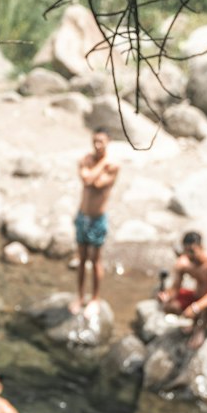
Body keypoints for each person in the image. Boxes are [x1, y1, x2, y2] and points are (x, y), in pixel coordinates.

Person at [158, 231, 207, 350]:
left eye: (192, 251)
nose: (189, 255)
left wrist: (196, 307)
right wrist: (166, 296)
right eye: (186, 251)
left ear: (201, 247)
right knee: (169, 306)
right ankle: (193, 323)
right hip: (196, 296)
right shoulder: (184, 262)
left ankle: (200, 329)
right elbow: (175, 288)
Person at [71, 129, 119, 311]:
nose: (97, 145)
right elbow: (87, 180)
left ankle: (96, 298)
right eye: (95, 141)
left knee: (95, 260)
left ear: (109, 142)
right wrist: (101, 165)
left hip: (97, 218)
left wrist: (98, 166)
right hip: (82, 216)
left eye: (101, 142)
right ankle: (80, 296)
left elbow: (98, 184)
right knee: (81, 259)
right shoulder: (89, 160)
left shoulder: (114, 166)